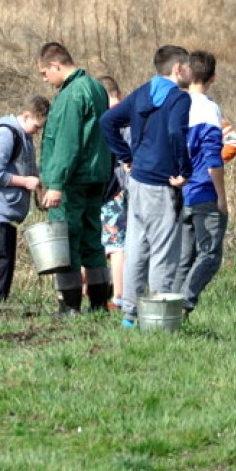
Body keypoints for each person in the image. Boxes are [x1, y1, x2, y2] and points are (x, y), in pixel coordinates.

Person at [101, 45, 192, 328]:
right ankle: (159, 319)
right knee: (163, 252)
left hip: (137, 181)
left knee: (136, 248)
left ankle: (129, 315)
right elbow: (176, 132)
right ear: (178, 69)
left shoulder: (142, 92)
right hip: (160, 184)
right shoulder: (179, 99)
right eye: (187, 66)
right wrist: (183, 169)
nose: (191, 71)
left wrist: (127, 157)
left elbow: (108, 121)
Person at [37, 42, 113, 313]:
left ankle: (69, 307)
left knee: (65, 241)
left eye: (45, 73)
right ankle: (99, 303)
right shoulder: (96, 87)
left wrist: (56, 184)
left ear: (56, 66)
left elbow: (68, 142)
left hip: (73, 180)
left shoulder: (71, 96)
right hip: (96, 175)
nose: (45, 79)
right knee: (93, 240)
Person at [0, 95, 50, 306]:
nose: (37, 132)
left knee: (6, 261)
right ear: (26, 116)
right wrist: (24, 181)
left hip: (9, 210)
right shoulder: (5, 134)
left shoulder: (24, 138)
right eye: (36, 126)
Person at [171, 50, 228, 317]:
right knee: (210, 254)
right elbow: (212, 157)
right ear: (213, 77)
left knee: (184, 258)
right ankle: (184, 303)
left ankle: (169, 308)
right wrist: (221, 196)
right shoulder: (208, 108)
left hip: (181, 193)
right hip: (204, 191)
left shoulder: (176, 105)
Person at [98, 75, 129, 311]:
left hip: (113, 189)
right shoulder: (133, 115)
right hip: (133, 188)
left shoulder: (105, 120)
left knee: (115, 245)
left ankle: (118, 296)